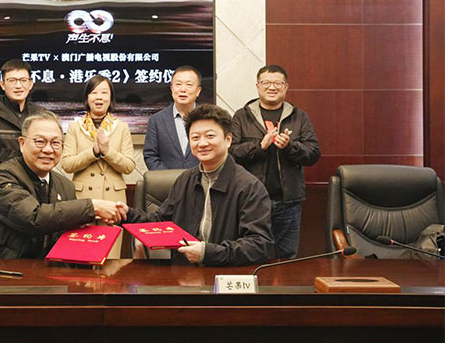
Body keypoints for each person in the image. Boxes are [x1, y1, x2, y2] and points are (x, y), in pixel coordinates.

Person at [118, 104, 272, 266]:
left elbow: (259, 244)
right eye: (195, 137)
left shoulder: (249, 186)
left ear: (228, 140)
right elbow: (161, 222)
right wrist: (127, 214)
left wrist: (207, 253)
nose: (202, 143)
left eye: (210, 136)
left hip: (225, 274)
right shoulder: (185, 180)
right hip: (183, 273)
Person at [0, 110, 123, 259]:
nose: (48, 150)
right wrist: (92, 207)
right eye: (40, 141)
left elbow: (68, 237)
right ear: (22, 143)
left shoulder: (65, 185)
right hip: (2, 268)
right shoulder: (2, 176)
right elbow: (34, 218)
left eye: (55, 143)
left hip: (49, 268)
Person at [229, 65, 320, 259]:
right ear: (257, 86)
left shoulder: (299, 116)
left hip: (288, 202)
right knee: (249, 254)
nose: (272, 87)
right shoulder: (242, 116)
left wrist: (289, 146)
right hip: (250, 201)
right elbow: (231, 153)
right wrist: (259, 146)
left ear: (286, 87)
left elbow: (313, 154)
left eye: (277, 83)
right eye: (266, 83)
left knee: (286, 257)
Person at [61, 75, 136, 259]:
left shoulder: (121, 127)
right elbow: (67, 164)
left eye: (104, 93)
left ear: (111, 98)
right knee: (82, 254)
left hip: (113, 199)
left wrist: (107, 151)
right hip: (83, 199)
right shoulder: (75, 127)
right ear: (87, 97)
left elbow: (129, 166)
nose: (99, 97)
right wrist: (93, 152)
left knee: (110, 258)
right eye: (94, 93)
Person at [0, 59, 42, 167]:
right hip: (0, 174)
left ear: (30, 84)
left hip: (34, 174)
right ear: (2, 85)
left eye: (23, 80)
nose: (18, 85)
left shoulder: (40, 114)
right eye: (12, 80)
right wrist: (22, 157)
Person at [143, 66, 203, 170]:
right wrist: (168, 177)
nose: (182, 89)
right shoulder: (157, 120)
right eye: (178, 84)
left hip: (201, 178)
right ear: (171, 89)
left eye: (189, 85)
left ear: (198, 91)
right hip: (167, 179)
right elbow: (150, 155)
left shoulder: (208, 119)